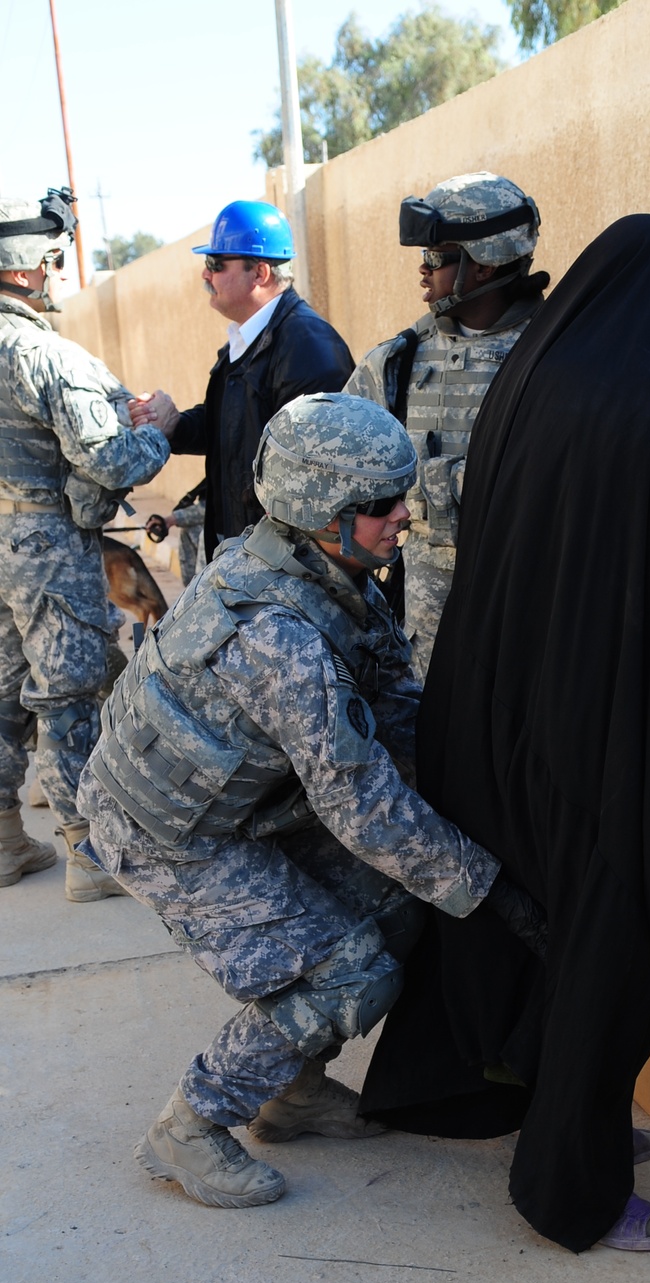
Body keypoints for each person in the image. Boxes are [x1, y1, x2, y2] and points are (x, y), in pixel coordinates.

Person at [358, 215, 650, 1254]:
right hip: (603, 746)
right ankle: (577, 1185)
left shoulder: (527, 383)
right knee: (621, 949)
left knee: (531, 927)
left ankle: (515, 1100)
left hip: (498, 720)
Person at [77, 392, 541, 1210]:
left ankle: (290, 1091)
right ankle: (193, 1124)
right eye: (380, 506)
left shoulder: (326, 576)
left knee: (394, 907)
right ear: (321, 512)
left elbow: (401, 713)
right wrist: (495, 889)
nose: (404, 517)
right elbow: (367, 808)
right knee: (345, 974)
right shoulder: (279, 637)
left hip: (236, 807)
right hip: (167, 836)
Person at [0, 188, 170, 900]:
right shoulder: (44, 354)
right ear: (33, 264)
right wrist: (156, 425)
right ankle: (88, 853)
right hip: (45, 542)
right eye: (55, 259)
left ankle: (6, 842)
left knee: (5, 688)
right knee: (69, 689)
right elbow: (112, 462)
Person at [347, 171, 548, 675]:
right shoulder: (400, 361)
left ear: (482, 266)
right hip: (429, 629)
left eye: (437, 257)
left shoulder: (554, 356)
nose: (422, 270)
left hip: (531, 608)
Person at [130, 199, 353, 559]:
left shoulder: (307, 345)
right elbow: (229, 427)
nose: (205, 275)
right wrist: (172, 425)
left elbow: (316, 472)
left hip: (286, 561)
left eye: (215, 265)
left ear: (260, 273)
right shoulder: (244, 342)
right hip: (245, 552)